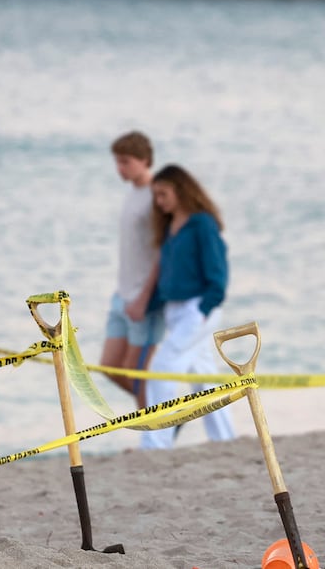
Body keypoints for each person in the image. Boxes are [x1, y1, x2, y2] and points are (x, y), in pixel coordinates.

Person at [139, 164, 235, 450]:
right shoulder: (170, 229)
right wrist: (147, 306)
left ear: (181, 190)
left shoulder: (202, 224)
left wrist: (204, 308)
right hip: (175, 311)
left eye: (163, 194)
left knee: (162, 367)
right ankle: (226, 441)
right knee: (203, 378)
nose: (159, 201)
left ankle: (156, 443)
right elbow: (171, 276)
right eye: (156, 195)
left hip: (198, 308)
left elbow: (218, 272)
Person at [102, 132, 163, 406]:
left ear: (145, 160)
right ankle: (165, 414)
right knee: (110, 367)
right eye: (117, 162)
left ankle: (153, 437)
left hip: (144, 298)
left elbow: (164, 252)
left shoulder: (156, 197)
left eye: (125, 162)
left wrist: (143, 298)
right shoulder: (132, 193)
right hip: (122, 294)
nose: (119, 168)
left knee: (137, 373)